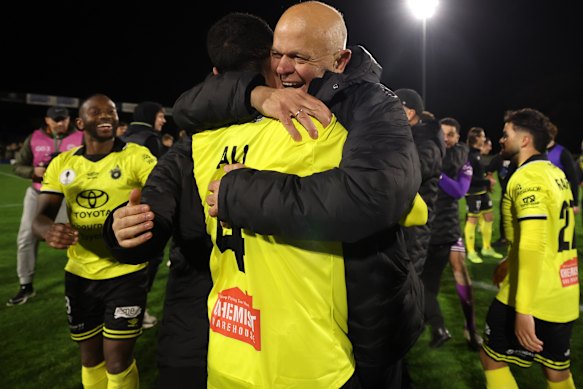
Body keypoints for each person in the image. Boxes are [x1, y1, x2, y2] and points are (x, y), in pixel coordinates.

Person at [173, 2, 424, 387]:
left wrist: (238, 192)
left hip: (356, 324)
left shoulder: (371, 105)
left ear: (340, 60)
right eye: (276, 54)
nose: (282, 68)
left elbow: (370, 196)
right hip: (261, 336)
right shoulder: (262, 105)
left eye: (299, 57)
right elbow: (187, 106)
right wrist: (257, 96)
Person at [103, 12, 273, 388]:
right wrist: (128, 230)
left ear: (214, 75)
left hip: (195, 321)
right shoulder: (294, 135)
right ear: (271, 66)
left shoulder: (184, 151)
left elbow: (150, 224)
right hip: (265, 318)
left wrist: (125, 230)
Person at [32, 94, 157, 388]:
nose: (105, 116)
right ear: (80, 122)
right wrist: (48, 230)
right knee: (90, 359)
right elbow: (40, 217)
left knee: (117, 360)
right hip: (79, 275)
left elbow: (162, 198)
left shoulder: (136, 157)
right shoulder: (62, 164)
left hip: (126, 272)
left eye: (111, 112)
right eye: (96, 112)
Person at [481, 108, 579, 389]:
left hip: (532, 295)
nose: (501, 140)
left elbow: (533, 244)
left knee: (492, 360)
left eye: (506, 134)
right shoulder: (555, 174)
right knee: (557, 373)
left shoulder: (526, 178)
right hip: (564, 292)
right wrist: (508, 262)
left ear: (524, 141)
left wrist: (524, 310)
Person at [7, 106, 83, 306]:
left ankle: (84, 283)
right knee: (25, 237)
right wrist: (34, 172)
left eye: (63, 119)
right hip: (38, 193)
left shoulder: (81, 137)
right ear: (47, 120)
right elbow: (17, 165)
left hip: (70, 195)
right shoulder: (34, 138)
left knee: (80, 237)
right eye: (56, 119)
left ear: (69, 120)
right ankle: (26, 285)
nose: (60, 123)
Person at [422, 117, 482, 350]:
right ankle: (428, 320)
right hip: (427, 225)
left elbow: (459, 191)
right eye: (443, 133)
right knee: (427, 280)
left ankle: (471, 328)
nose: (446, 138)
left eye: (451, 134)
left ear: (458, 137)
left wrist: (435, 173)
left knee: (460, 271)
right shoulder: (428, 150)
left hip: (447, 227)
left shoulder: (461, 157)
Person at [120, 100, 169, 329]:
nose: (164, 119)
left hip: (119, 209)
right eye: (160, 116)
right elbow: (156, 181)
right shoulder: (150, 140)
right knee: (149, 258)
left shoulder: (125, 136)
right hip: (141, 207)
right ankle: (138, 310)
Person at [394, 88, 445, 275]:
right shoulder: (408, 138)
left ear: (409, 113)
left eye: (393, 107)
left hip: (413, 232)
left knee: (406, 287)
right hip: (398, 223)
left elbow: (411, 173)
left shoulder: (428, 144)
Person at [464, 126, 503, 263]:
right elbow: (469, 179)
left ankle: (487, 248)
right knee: (472, 220)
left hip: (482, 191)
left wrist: (486, 181)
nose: (484, 139)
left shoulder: (478, 154)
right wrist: (487, 181)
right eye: (482, 136)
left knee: (489, 217)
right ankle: (471, 252)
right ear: (476, 138)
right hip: (473, 193)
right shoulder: (469, 155)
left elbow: (480, 172)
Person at [547, 122, 580, 216]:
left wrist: (575, 203)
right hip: (543, 199)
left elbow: (574, 179)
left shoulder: (563, 153)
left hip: (561, 199)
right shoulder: (537, 152)